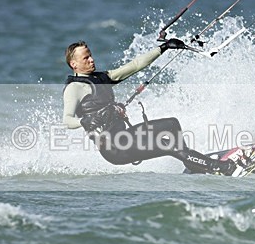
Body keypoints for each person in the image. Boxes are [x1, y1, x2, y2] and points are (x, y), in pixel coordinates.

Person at [62, 39, 241, 175]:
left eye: (90, 55)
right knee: (169, 145)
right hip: (113, 148)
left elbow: (135, 65)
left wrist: (162, 48)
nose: (92, 60)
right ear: (74, 64)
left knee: (171, 124)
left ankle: (190, 162)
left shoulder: (102, 78)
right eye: (86, 58)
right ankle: (218, 167)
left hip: (125, 136)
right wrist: (87, 120)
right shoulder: (74, 88)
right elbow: (67, 121)